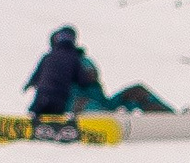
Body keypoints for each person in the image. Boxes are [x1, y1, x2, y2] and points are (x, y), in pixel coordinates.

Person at [23, 27, 174, 115]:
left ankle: (170, 118)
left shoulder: (82, 59)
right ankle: (110, 119)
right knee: (84, 104)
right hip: (75, 107)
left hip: (102, 104)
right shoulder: (54, 63)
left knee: (137, 91)